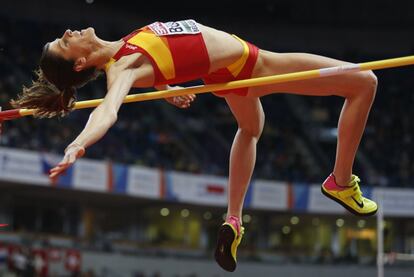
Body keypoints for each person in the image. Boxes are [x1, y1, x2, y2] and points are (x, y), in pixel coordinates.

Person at [11, 19, 378, 272]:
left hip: (226, 75)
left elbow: (167, 50)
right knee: (365, 81)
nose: (67, 31)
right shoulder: (121, 69)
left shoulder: (124, 50)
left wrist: (164, 87)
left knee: (251, 129)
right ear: (79, 62)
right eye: (64, 41)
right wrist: (77, 144)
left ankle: (233, 218)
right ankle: (341, 182)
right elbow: (108, 111)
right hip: (253, 65)